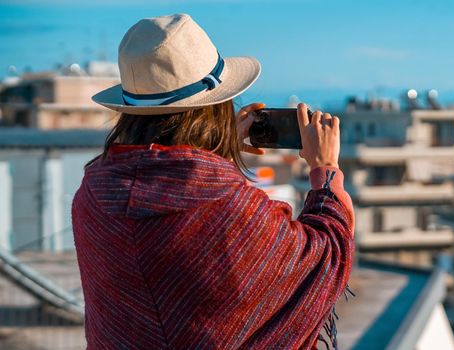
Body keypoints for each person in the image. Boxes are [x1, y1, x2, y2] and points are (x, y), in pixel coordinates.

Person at [72, 13, 354, 349]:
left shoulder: (92, 195)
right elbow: (325, 257)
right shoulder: (226, 206)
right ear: (212, 107)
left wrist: (215, 153)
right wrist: (325, 169)